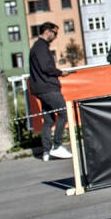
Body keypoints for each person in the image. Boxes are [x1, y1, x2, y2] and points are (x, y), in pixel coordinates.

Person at [28, 22, 73, 161]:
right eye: (55, 33)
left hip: (40, 88)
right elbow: (46, 67)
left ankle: (46, 152)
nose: (55, 36)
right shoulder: (41, 47)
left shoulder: (37, 47)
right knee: (64, 113)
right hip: (48, 87)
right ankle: (57, 146)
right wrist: (60, 73)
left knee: (48, 120)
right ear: (47, 31)